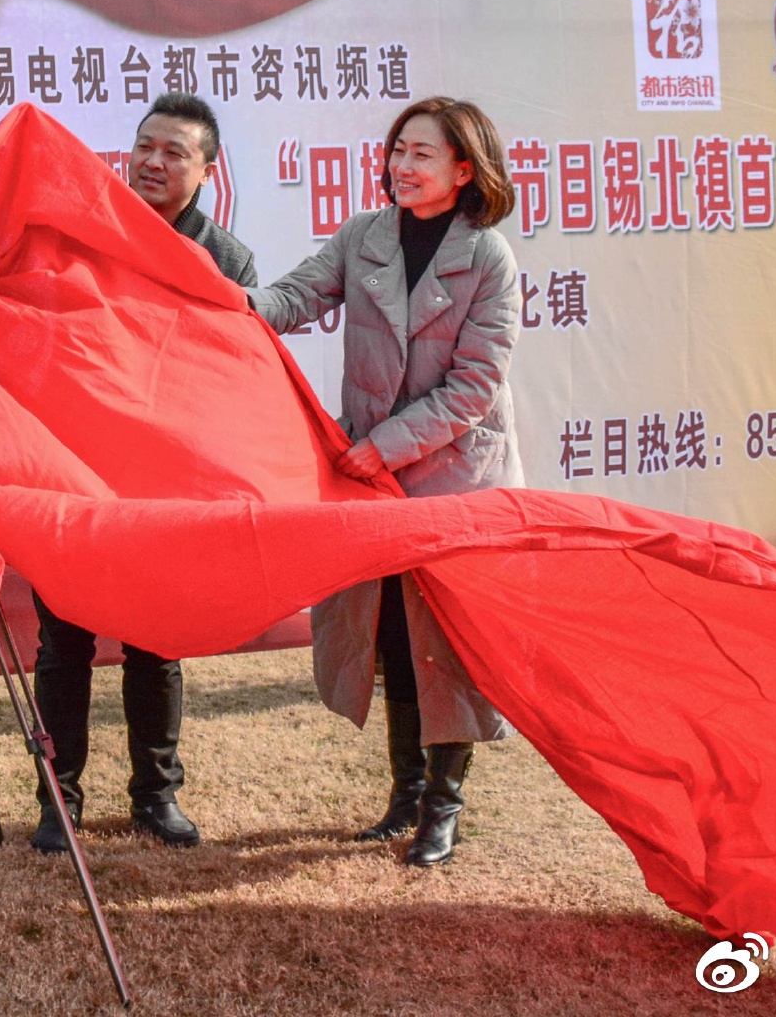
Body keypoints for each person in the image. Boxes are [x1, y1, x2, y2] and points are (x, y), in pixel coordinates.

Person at [248, 96, 521, 868]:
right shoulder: (365, 235)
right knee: (391, 637)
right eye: (399, 150)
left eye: (423, 154)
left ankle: (443, 805)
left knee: (446, 645)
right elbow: (295, 296)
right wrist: (237, 307)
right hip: (373, 477)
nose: (404, 165)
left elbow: (473, 390)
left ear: (464, 170)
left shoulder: (489, 257)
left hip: (453, 475)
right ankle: (403, 795)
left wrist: (384, 448)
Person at [31, 91, 256, 856]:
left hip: (163, 483)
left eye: (174, 153)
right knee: (63, 641)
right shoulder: (83, 232)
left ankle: (156, 798)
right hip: (75, 466)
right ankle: (57, 802)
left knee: (156, 643)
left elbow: (233, 381)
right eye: (144, 146)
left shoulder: (227, 262)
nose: (153, 163)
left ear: (207, 169)